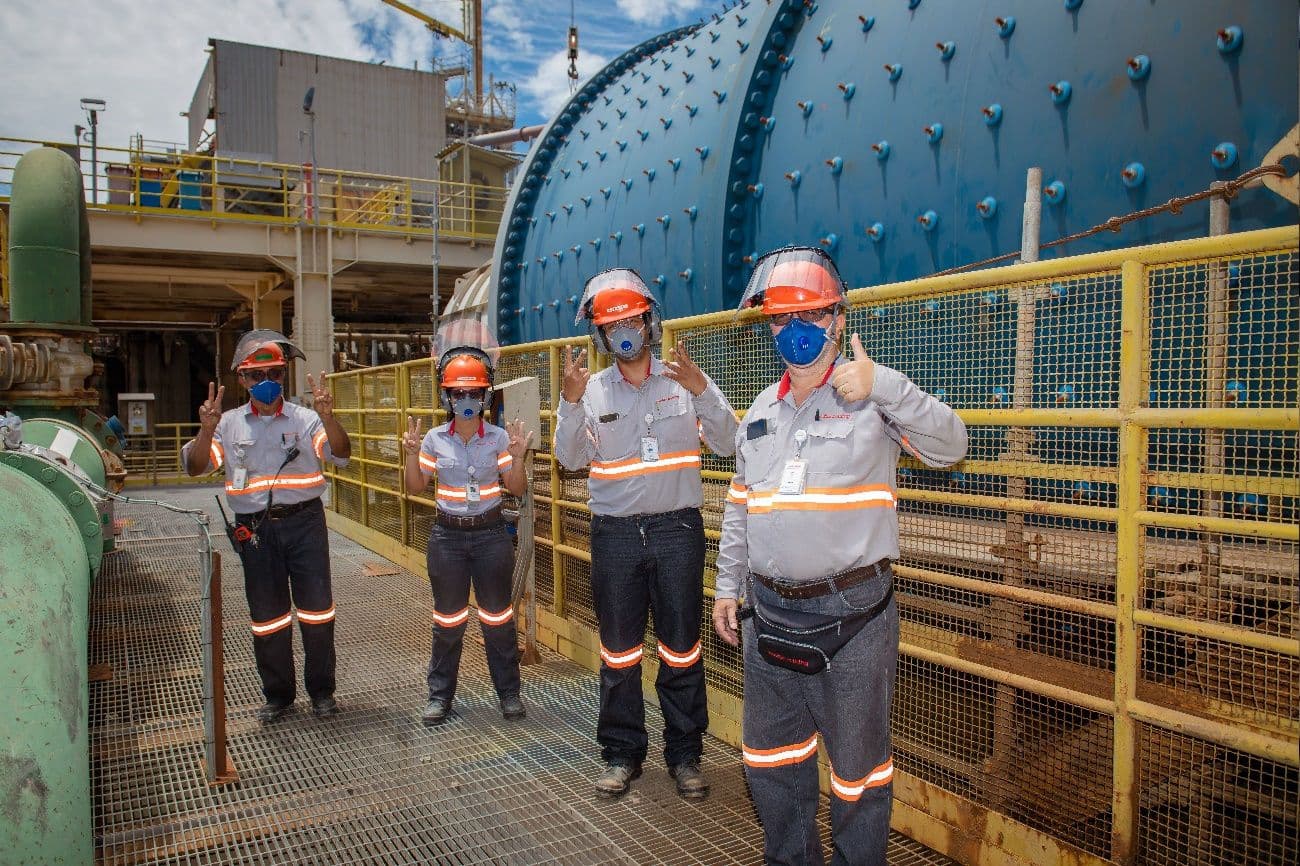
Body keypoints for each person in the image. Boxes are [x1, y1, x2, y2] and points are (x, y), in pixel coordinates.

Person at [713, 248, 968, 865]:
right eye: (780, 319)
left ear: (838, 320)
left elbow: (951, 445)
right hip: (769, 616)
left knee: (857, 775)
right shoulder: (758, 417)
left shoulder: (873, 402)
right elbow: (740, 510)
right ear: (768, 328)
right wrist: (726, 586)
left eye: (810, 315)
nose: (794, 331)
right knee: (773, 763)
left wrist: (884, 384)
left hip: (855, 620)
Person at [554, 268, 739, 800]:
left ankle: (685, 756)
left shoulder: (684, 383)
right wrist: (568, 404)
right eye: (613, 326)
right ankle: (620, 754)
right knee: (619, 652)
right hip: (614, 537)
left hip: (677, 531)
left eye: (632, 319)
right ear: (602, 336)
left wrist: (703, 390)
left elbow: (727, 443)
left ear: (649, 323)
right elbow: (568, 460)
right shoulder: (587, 393)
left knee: (682, 649)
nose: (624, 332)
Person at [183, 329, 352, 723]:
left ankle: (322, 693)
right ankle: (278, 696)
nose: (265, 384)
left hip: (305, 525)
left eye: (274, 374)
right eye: (256, 377)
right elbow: (195, 467)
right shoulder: (226, 425)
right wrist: (206, 429)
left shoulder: (307, 419)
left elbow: (340, 454)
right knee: (268, 616)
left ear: (283, 376)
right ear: (242, 380)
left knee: (317, 612)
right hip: (255, 531)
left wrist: (329, 416)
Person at [402, 344, 535, 726]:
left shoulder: (498, 438)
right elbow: (414, 487)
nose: (465, 400)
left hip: (491, 536)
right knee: (447, 621)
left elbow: (517, 487)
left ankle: (509, 694)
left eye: (473, 393)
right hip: (448, 539)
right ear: (446, 396)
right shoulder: (433, 439)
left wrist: (519, 456)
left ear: (484, 397)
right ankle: (439, 697)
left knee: (498, 619)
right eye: (458, 393)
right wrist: (411, 454)